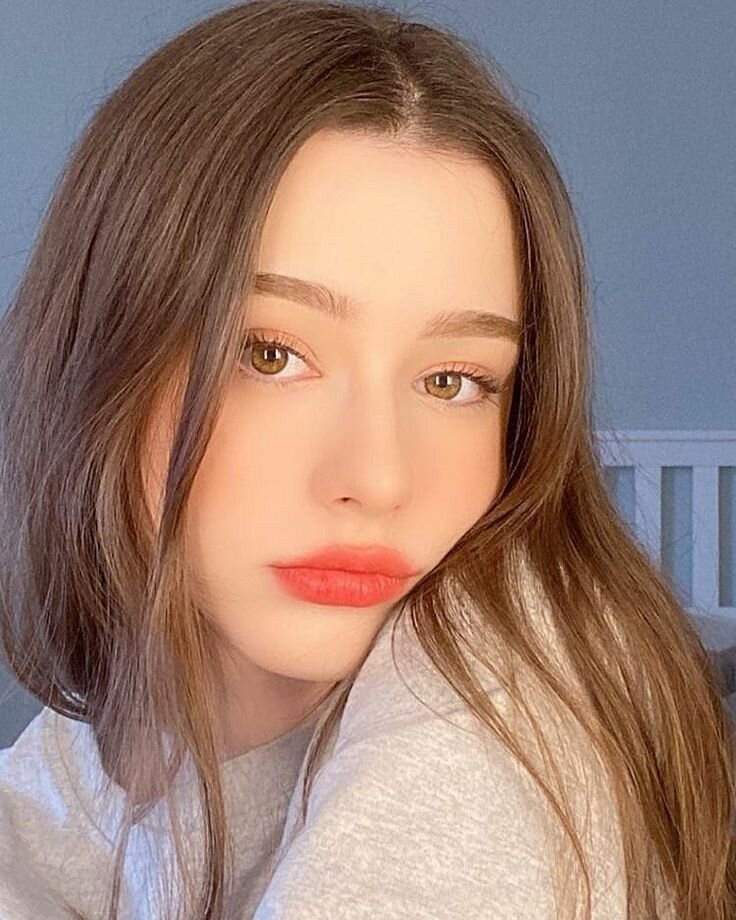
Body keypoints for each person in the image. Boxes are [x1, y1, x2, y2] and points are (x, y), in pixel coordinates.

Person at [0, 1, 732, 918]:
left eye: (453, 380)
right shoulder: (79, 760)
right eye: (270, 354)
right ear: (98, 353)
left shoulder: (494, 696)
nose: (379, 478)